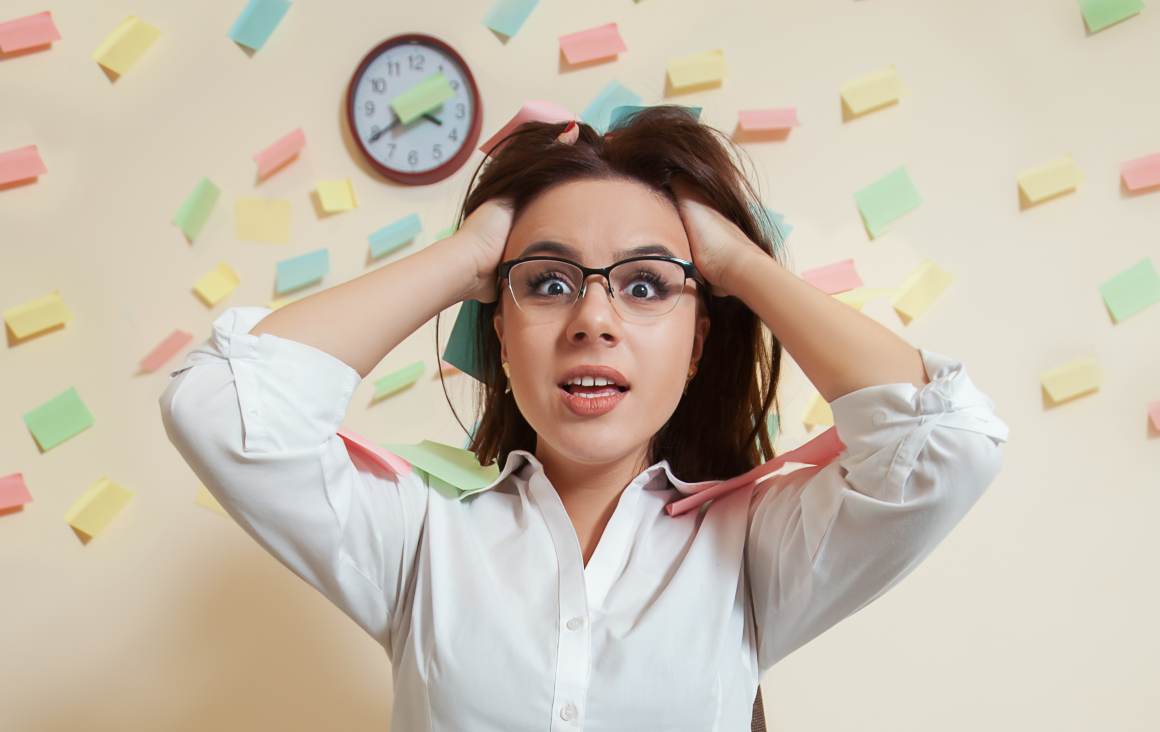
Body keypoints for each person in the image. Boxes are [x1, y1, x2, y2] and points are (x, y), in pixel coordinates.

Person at [159, 105, 1009, 731]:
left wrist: (737, 263)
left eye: (644, 286)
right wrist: (470, 253)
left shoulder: (751, 549)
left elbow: (947, 445)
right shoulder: (420, 538)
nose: (593, 320)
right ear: (499, 325)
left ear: (699, 340)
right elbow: (219, 406)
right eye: (549, 281)